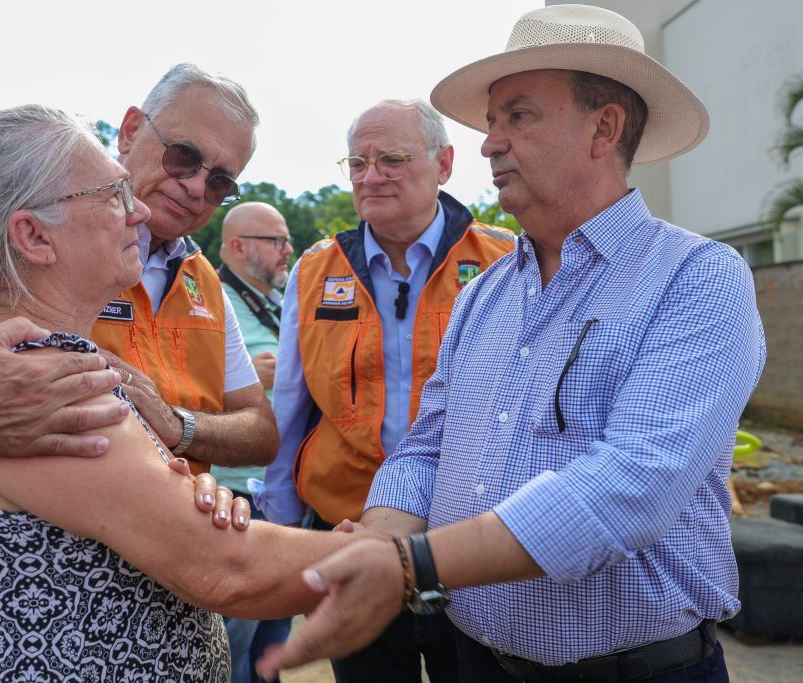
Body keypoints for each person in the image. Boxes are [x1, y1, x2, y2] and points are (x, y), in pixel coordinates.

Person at [257, 5, 766, 682]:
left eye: (517, 116)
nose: (490, 144)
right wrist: (376, 542)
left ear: (604, 127)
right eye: (491, 122)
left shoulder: (697, 278)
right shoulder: (484, 295)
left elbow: (630, 486)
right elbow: (427, 449)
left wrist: (408, 564)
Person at [0, 104, 363, 681]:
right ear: (33, 236)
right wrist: (406, 556)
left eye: (221, 181)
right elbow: (225, 571)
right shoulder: (38, 380)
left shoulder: (43, 352)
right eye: (112, 195)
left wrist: (180, 478)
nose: (138, 210)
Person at [0, 64, 277, 498]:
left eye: (220, 182)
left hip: (175, 552)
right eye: (183, 157)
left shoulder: (203, 281)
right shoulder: (18, 241)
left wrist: (176, 425)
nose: (196, 187)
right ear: (131, 130)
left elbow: (260, 432)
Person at [257, 99, 514, 682]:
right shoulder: (316, 270)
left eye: (392, 159)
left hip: (468, 539)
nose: (371, 177)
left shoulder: (505, 260)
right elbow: (291, 405)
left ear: (444, 163)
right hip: (348, 531)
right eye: (357, 163)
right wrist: (283, 525)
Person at [213, 202, 295, 682]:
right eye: (277, 241)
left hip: (280, 494)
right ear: (239, 246)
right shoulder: (209, 299)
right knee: (234, 644)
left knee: (272, 645)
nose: (288, 250)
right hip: (235, 495)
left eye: (287, 240)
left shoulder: (282, 302)